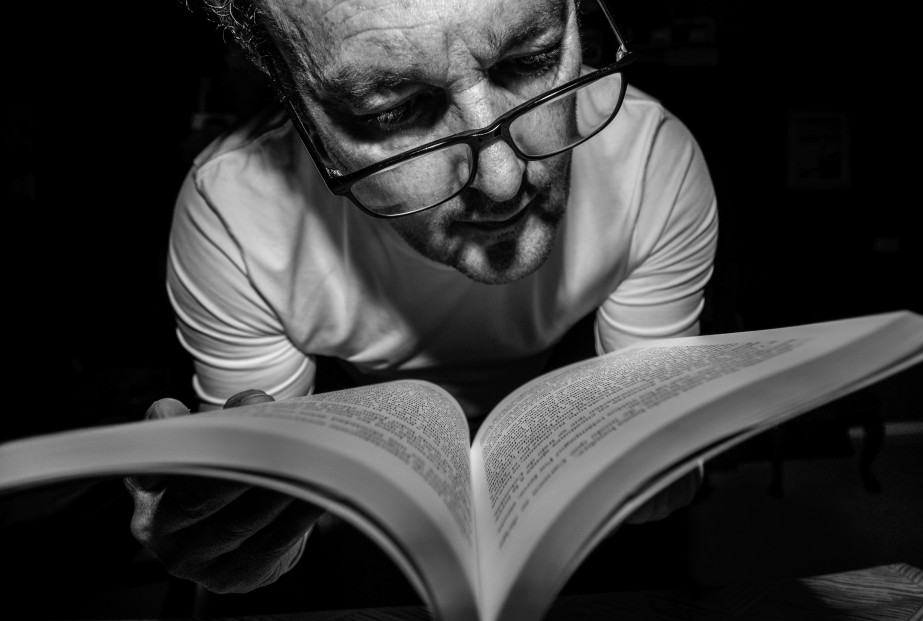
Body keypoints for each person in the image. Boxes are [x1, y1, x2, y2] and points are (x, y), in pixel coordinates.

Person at [126, 0, 718, 604]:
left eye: (531, 59)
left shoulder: (650, 161)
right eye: (395, 110)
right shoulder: (234, 213)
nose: (503, 179)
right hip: (364, 496)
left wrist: (662, 464)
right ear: (293, 99)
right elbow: (263, 506)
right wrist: (238, 539)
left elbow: (665, 467)